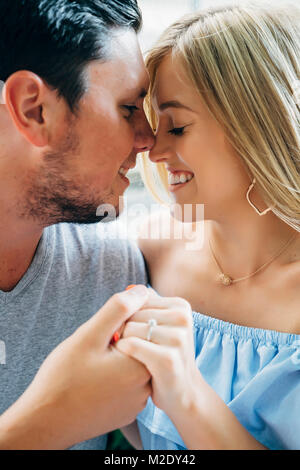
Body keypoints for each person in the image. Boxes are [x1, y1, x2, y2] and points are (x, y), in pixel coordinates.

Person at [117, 3, 300, 450]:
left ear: (256, 125)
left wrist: (186, 396)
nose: (152, 151)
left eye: (176, 127)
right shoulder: (147, 252)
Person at [0, 0, 161, 450]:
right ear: (35, 110)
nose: (149, 139)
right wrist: (47, 424)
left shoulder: (110, 269)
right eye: (129, 108)